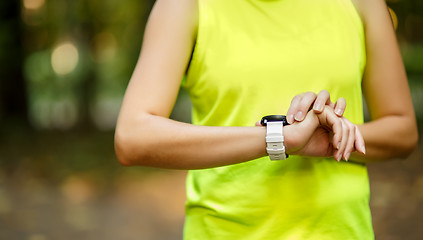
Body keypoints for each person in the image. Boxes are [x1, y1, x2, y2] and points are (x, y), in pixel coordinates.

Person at [114, 0, 418, 239]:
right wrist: (281, 139)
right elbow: (133, 137)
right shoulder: (184, 5)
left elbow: (403, 131)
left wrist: (332, 139)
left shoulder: (360, 2)